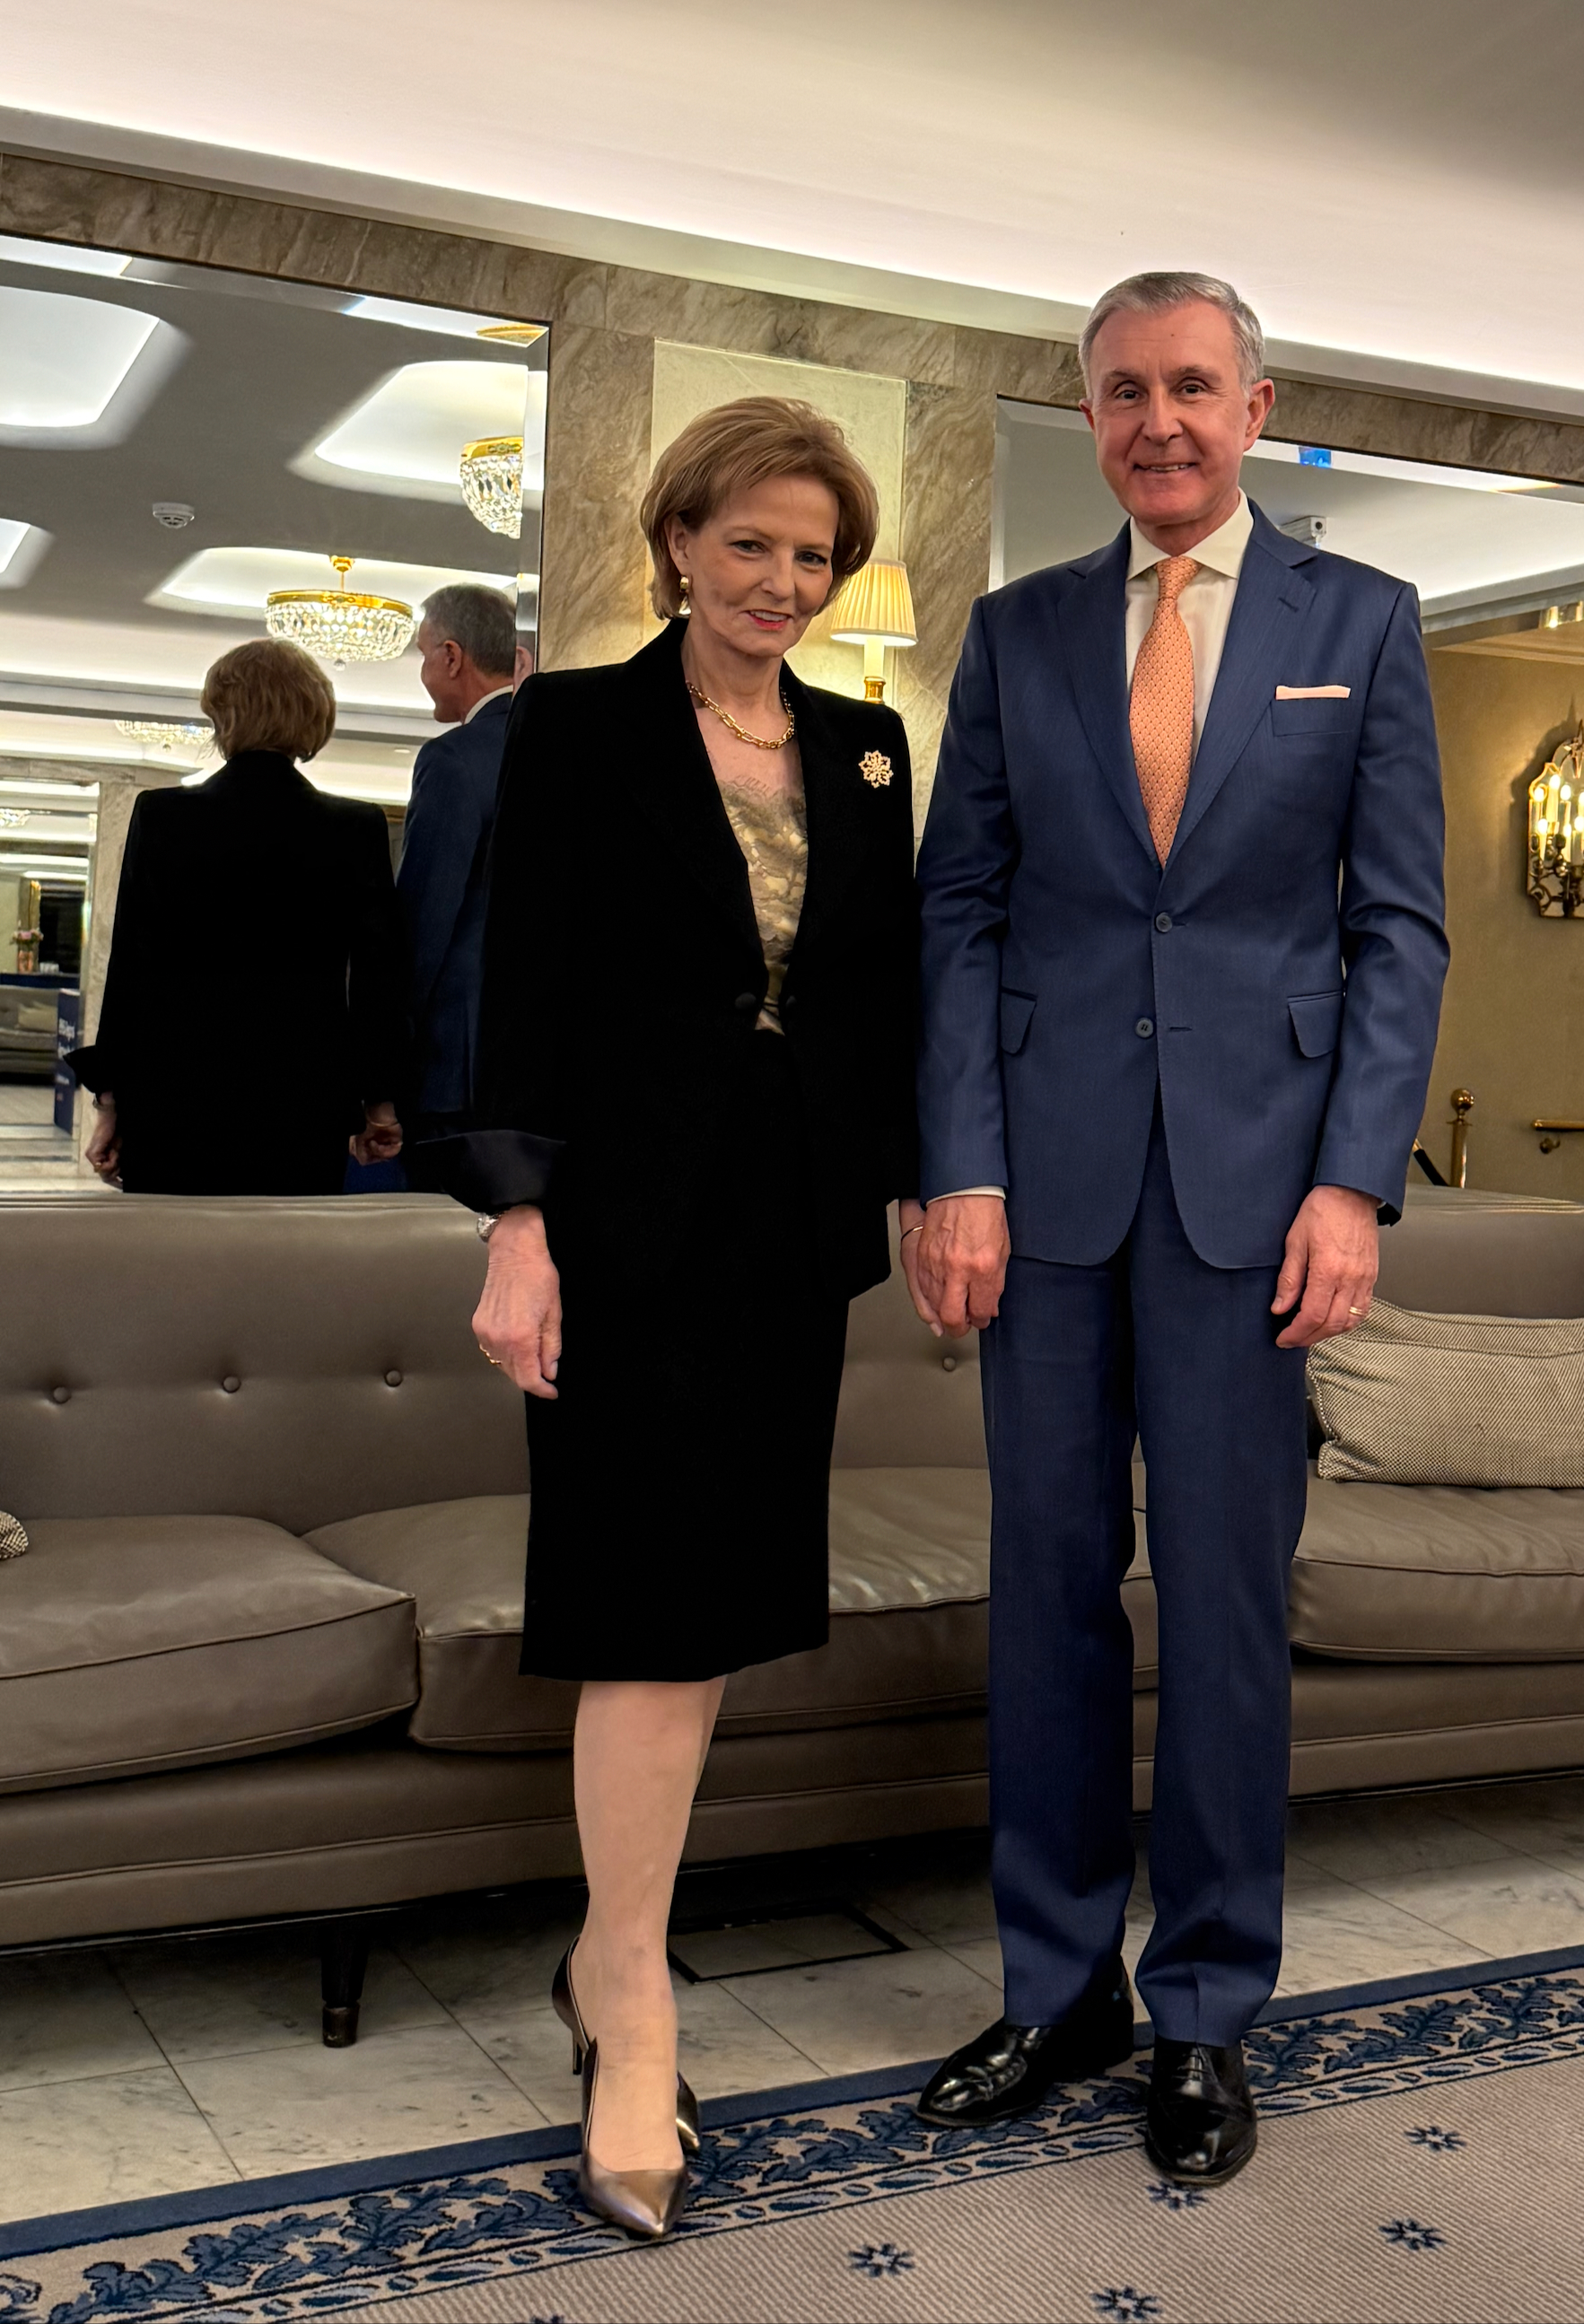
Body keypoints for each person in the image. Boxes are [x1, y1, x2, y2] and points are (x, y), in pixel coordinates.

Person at [905, 271, 1448, 2189]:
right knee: (1045, 1591)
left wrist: (1351, 1181)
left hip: (1258, 1197)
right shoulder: (1019, 631)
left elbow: (1398, 928)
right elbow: (959, 913)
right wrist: (958, 1169)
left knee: (1222, 1606)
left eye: (1193, 386)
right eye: (1124, 391)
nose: (1159, 421)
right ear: (1089, 415)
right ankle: (1059, 1987)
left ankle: (1206, 2007)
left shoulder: (1359, 621)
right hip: (1042, 1194)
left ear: (1255, 405)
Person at [431, 397, 917, 2241]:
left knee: (706, 1618)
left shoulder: (869, 749)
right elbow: (511, 988)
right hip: (620, 1234)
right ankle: (631, 1998)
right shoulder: (567, 727)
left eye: (813, 555)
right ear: (678, 546)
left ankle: (604, 1951)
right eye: (751, 544)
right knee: (641, 1610)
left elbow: (883, 998)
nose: (782, 581)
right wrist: (518, 1222)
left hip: (790, 1239)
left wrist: (932, 1182)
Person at [74, 639, 407, 1193]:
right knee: (286, 1248)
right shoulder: (355, 827)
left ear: (223, 716)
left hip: (175, 1097)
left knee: (175, 1246)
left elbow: (133, 969)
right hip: (303, 1102)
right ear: (313, 715)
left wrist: (110, 1104)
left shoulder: (163, 817)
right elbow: (378, 980)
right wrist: (379, 1103)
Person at [398, 583, 528, 1149]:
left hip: (457, 1066)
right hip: (544, 1062)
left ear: (452, 657)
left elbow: (423, 924)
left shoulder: (453, 760)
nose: (424, 670)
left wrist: (385, 1074)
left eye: (424, 654)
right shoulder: (566, 748)